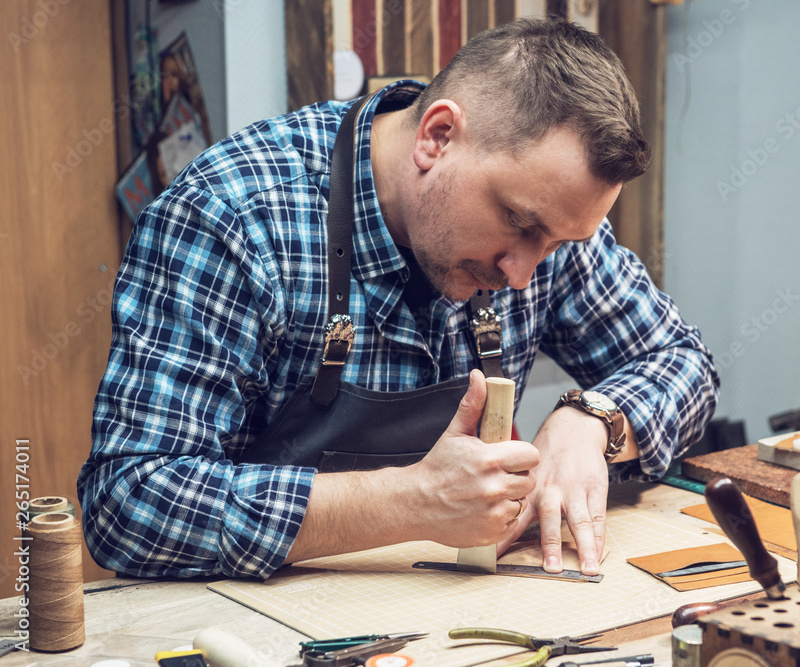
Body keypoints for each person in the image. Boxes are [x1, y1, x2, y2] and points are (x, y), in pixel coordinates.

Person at [79, 17, 719, 581]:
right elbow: (129, 500)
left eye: (555, 244)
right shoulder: (231, 218)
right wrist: (407, 502)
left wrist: (596, 421)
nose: (524, 274)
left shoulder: (551, 223)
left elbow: (682, 361)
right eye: (518, 223)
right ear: (437, 138)